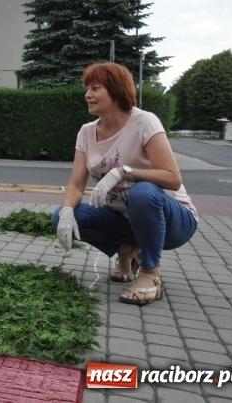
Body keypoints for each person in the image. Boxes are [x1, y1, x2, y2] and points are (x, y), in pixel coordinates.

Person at [53, 62, 198, 306]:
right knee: (60, 215)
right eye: (87, 88)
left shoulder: (144, 122)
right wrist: (67, 211)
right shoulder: (86, 132)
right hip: (127, 220)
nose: (87, 94)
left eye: (95, 88)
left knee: (142, 193)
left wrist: (125, 172)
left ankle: (151, 273)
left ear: (117, 90)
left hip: (174, 220)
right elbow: (76, 185)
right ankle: (127, 249)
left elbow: (173, 177)